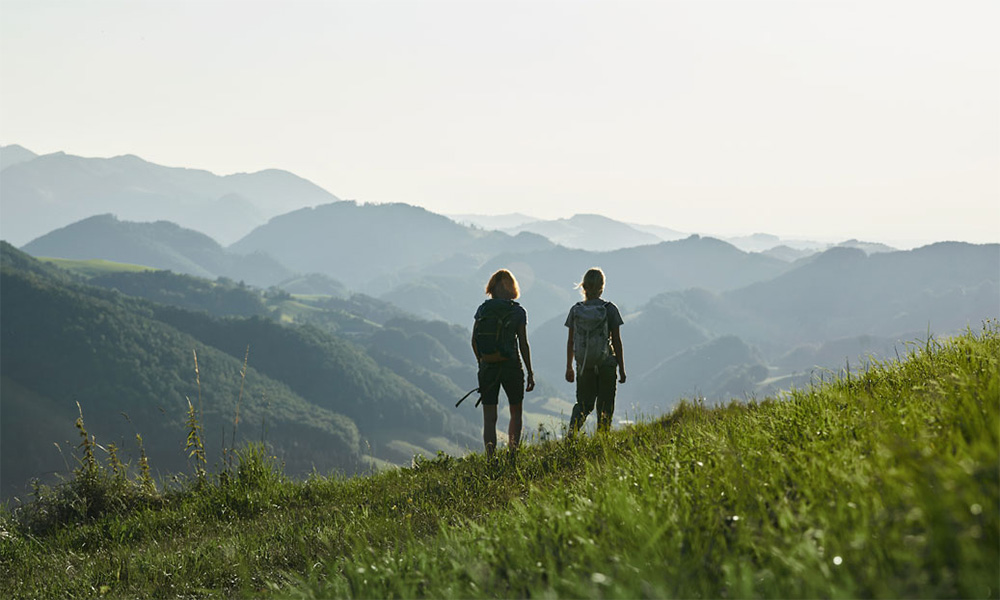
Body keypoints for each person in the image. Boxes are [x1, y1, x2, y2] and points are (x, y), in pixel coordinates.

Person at [472, 269, 535, 459]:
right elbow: (523, 343)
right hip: (511, 366)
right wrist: (530, 372)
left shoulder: (483, 309)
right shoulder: (517, 311)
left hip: (487, 367)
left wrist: (482, 362)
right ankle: (513, 454)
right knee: (515, 412)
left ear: (492, 288)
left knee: (489, 418)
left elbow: (474, 340)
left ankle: (491, 459)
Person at [565, 267, 626, 434]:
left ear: (583, 287)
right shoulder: (609, 309)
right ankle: (602, 441)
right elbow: (617, 341)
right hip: (606, 363)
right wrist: (621, 368)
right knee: (606, 405)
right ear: (602, 287)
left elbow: (570, 341)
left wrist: (569, 366)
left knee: (584, 404)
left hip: (584, 364)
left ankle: (571, 436)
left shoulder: (576, 310)